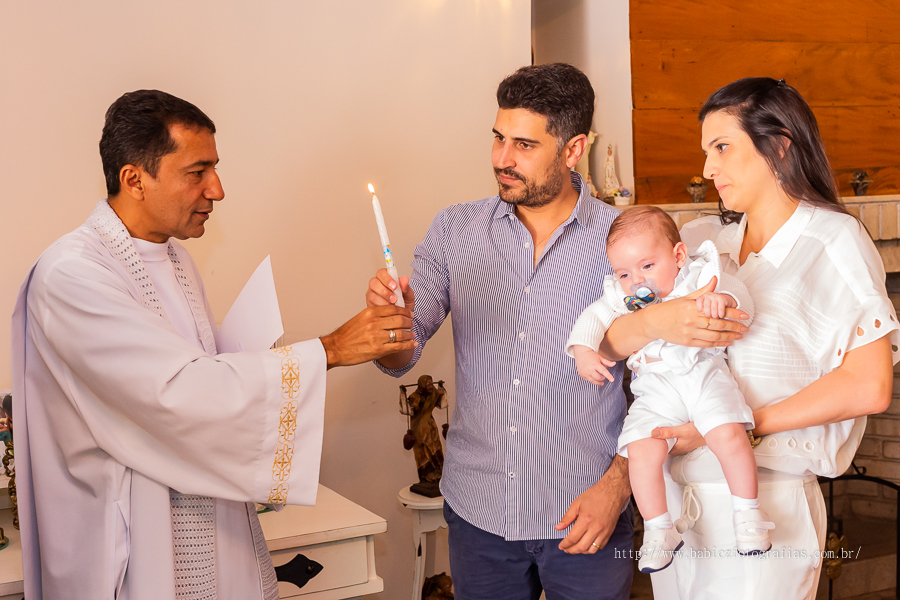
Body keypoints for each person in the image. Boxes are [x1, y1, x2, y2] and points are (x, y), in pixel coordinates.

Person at [10, 89, 416, 600]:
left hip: (206, 514)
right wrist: (331, 348)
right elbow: (176, 394)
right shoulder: (71, 276)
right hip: (134, 540)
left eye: (215, 169)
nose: (217, 190)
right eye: (196, 172)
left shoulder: (176, 260)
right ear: (134, 179)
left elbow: (198, 379)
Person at [599, 77, 898, 599]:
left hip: (768, 511)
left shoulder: (832, 241)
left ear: (779, 144)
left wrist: (734, 426)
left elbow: (869, 386)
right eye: (705, 152)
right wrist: (654, 324)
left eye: (722, 147)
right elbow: (610, 339)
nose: (709, 168)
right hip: (678, 513)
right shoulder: (698, 243)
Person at [367, 63, 633, 599]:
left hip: (587, 511)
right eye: (497, 138)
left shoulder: (625, 241)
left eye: (524, 145)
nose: (501, 159)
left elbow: (664, 384)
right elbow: (405, 352)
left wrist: (618, 486)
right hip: (479, 511)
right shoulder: (454, 230)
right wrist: (390, 324)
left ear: (574, 149)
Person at [566, 207, 774, 574]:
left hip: (703, 374)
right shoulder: (623, 296)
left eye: (647, 266)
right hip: (655, 388)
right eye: (624, 273)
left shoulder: (698, 275)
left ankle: (747, 512)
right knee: (640, 449)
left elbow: (742, 297)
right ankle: (659, 528)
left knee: (728, 432)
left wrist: (723, 300)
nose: (636, 281)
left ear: (678, 255)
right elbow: (593, 317)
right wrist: (583, 350)